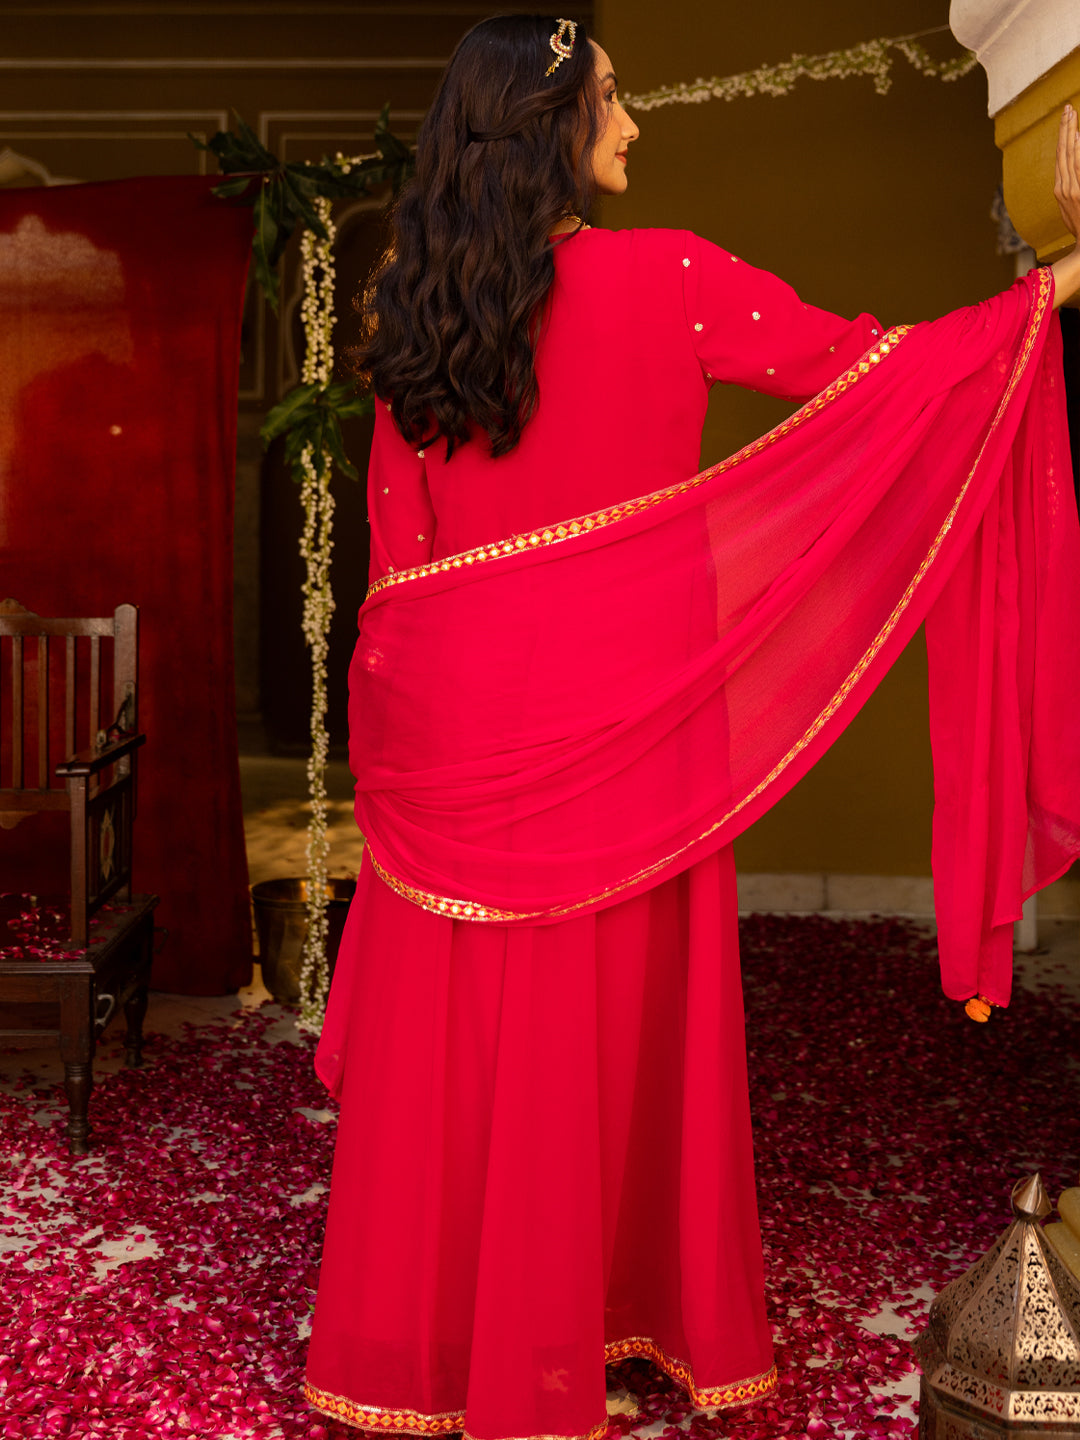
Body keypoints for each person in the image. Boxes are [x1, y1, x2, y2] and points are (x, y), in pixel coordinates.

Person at [305, 14, 1080, 1440]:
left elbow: (401, 572)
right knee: (613, 1023)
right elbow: (879, 374)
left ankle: (458, 1337)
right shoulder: (671, 275)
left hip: (462, 733)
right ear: (547, 127)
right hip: (638, 727)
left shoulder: (417, 314)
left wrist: (400, 754)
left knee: (477, 1032)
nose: (633, 124)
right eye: (610, 100)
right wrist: (1043, 303)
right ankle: (598, 1319)